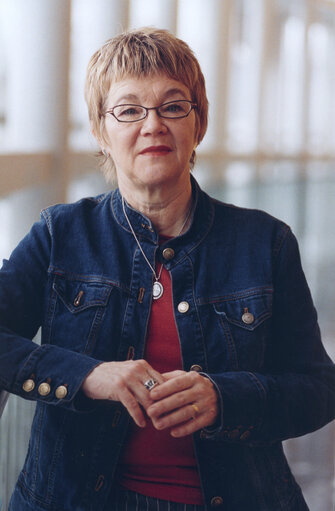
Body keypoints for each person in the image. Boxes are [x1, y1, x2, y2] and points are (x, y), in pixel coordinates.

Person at [1, 27, 334, 511]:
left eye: (173, 106)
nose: (152, 124)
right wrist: (89, 375)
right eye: (130, 110)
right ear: (100, 130)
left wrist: (224, 397)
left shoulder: (266, 241)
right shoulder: (60, 233)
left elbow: (318, 388)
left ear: (198, 124)